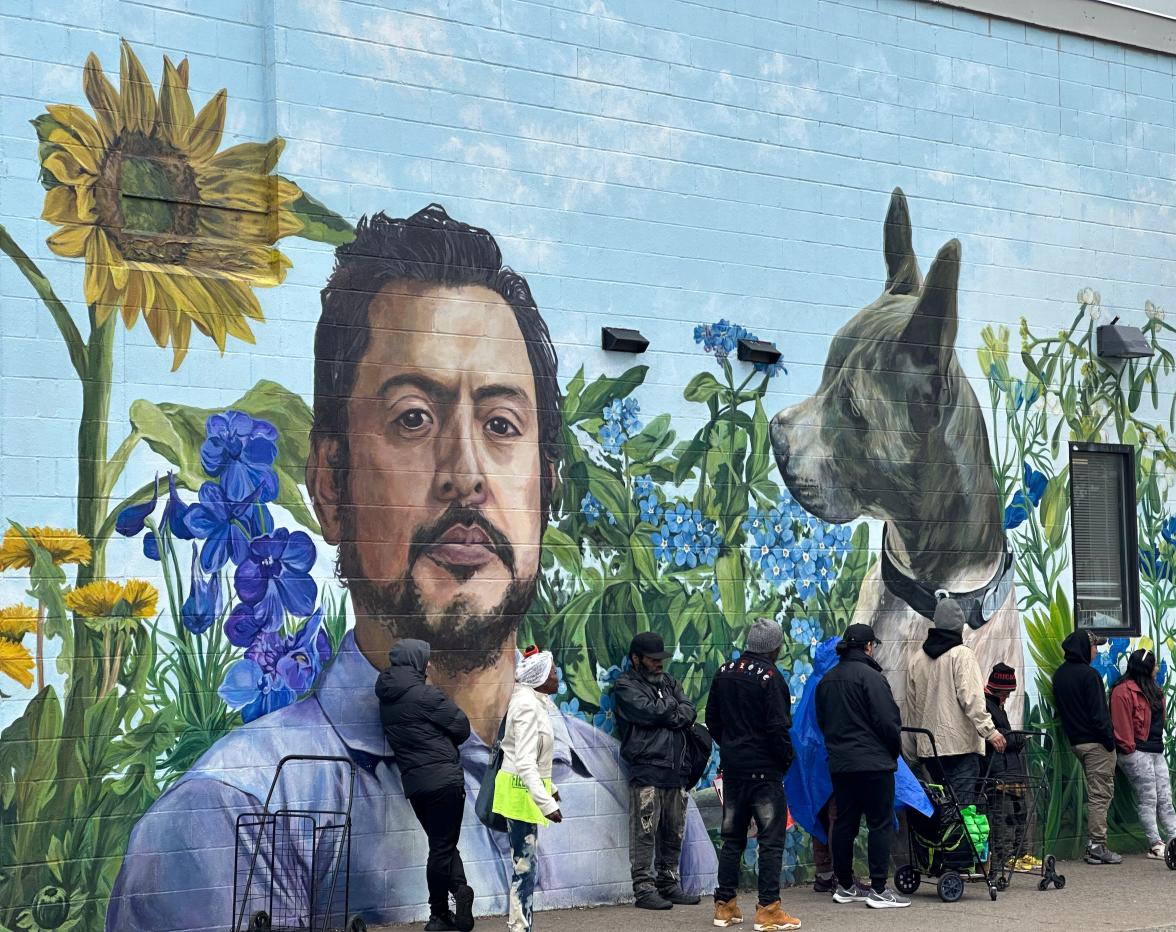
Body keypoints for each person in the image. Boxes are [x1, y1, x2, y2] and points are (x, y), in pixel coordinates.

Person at [107, 207, 716, 931]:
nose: (465, 475)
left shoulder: (624, 789)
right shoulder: (231, 819)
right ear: (331, 486)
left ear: (546, 489)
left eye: (501, 425)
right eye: (413, 418)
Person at [706, 618, 801, 931]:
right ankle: (768, 909)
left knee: (732, 838)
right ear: (775, 648)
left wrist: (732, 749)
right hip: (765, 775)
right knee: (771, 841)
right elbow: (778, 729)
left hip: (733, 771)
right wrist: (785, 760)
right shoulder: (771, 678)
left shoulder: (723, 673)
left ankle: (725, 906)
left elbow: (713, 720)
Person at [376, 639, 475, 931]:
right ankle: (439, 915)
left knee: (441, 843)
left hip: (416, 785)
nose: (429, 664)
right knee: (441, 848)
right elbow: (462, 727)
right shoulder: (426, 695)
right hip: (445, 780)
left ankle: (460, 890)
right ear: (416, 662)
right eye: (426, 659)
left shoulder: (386, 699)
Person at [816, 623, 909, 909]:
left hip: (842, 765)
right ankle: (879, 889)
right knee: (879, 823)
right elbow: (889, 722)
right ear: (869, 647)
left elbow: (823, 723)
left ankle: (844, 886)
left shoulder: (827, 680)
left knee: (845, 823)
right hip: (873, 764)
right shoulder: (872, 678)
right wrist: (891, 753)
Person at [613, 631, 701, 910]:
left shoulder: (669, 682)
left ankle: (668, 883)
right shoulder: (625, 685)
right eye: (652, 660)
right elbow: (648, 712)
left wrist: (668, 709)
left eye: (661, 659)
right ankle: (644, 889)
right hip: (647, 768)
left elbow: (689, 710)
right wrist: (670, 709)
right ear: (635, 659)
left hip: (676, 769)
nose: (658, 664)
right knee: (645, 832)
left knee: (673, 830)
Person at [904, 598, 1006, 805]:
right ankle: (960, 839)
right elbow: (972, 699)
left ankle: (945, 838)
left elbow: (913, 709)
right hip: (960, 748)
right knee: (963, 810)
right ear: (959, 626)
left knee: (944, 809)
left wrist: (915, 747)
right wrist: (990, 731)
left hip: (930, 750)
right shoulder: (962, 655)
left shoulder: (917, 659)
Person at [494, 647, 564, 932]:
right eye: (553, 670)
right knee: (524, 868)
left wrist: (552, 788)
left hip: (525, 792)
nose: (557, 674)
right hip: (518, 794)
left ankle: (520, 925)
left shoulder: (535, 701)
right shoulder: (525, 705)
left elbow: (536, 757)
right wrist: (548, 804)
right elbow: (523, 761)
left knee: (525, 866)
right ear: (539, 677)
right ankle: (519, 927)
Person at [1052, 629, 1121, 865]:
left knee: (1095, 793)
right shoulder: (1089, 676)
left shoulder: (1060, 675)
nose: (1097, 651)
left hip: (1076, 743)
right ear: (1084, 648)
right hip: (1097, 743)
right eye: (1094, 647)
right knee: (1100, 794)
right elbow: (1099, 714)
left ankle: (1096, 845)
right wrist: (1110, 742)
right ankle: (1097, 846)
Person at [1111, 648, 1176, 860]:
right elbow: (1121, 726)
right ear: (1147, 667)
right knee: (1148, 797)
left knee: (1165, 796)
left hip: (1155, 750)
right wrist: (1131, 749)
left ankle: (1174, 839)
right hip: (1138, 751)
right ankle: (1154, 842)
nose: (1158, 668)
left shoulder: (1155, 690)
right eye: (1155, 664)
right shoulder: (1123, 691)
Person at [982, 662, 1028, 870]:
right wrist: (1017, 739)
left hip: (1008, 770)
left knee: (1016, 814)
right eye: (1006, 693)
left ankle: (1013, 855)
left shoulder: (997, 706)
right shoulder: (987, 706)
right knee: (1000, 819)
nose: (1007, 698)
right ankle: (1000, 860)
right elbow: (1001, 737)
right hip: (998, 772)